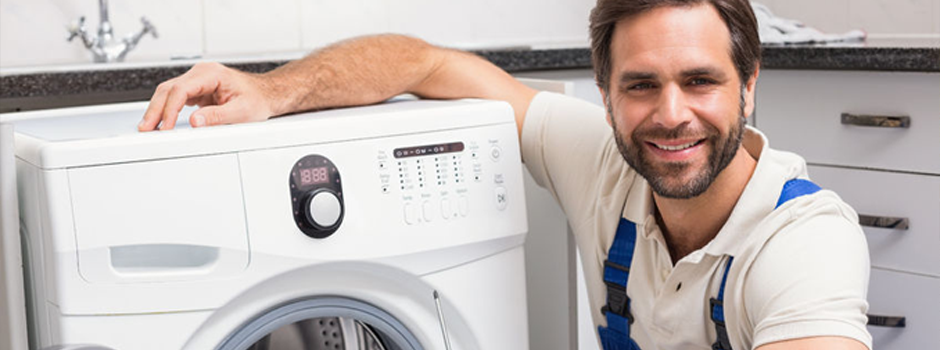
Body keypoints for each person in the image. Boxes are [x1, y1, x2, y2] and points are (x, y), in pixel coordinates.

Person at [140, 0, 872, 349]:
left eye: (701, 81)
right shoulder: (599, 163)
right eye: (641, 85)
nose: (670, 115)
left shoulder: (804, 242)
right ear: (605, 93)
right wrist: (274, 92)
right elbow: (422, 63)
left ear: (749, 85)